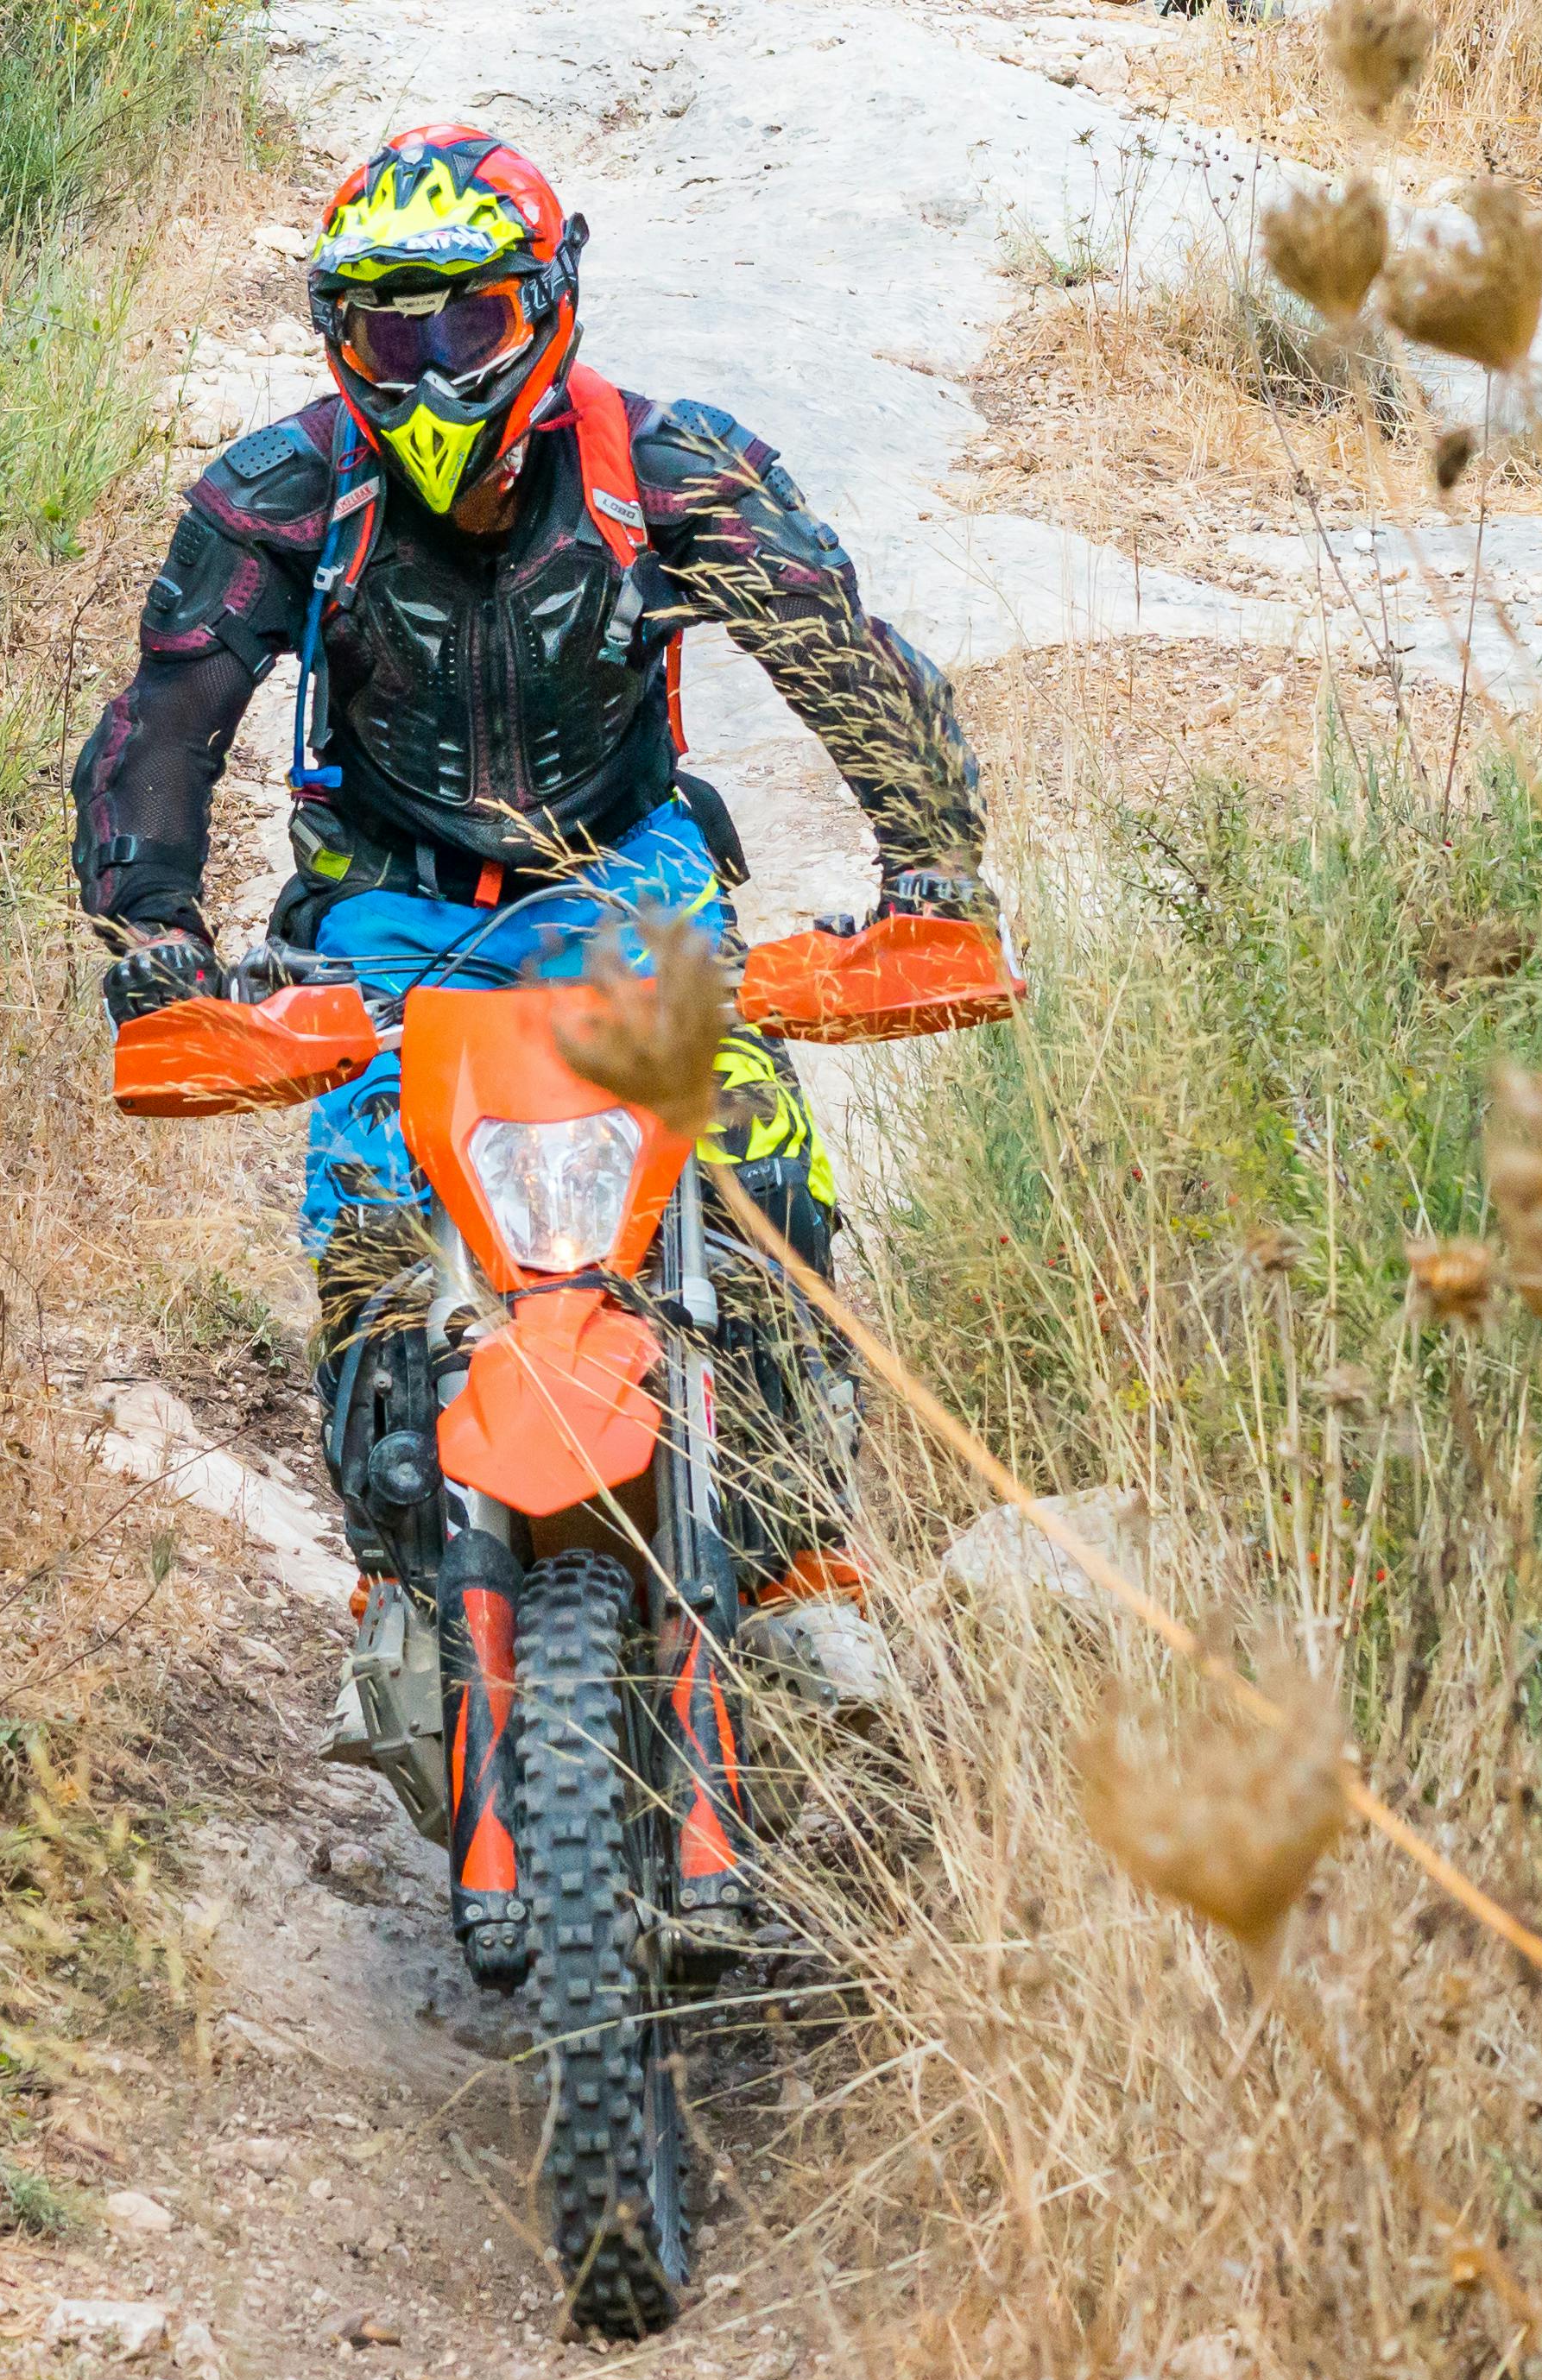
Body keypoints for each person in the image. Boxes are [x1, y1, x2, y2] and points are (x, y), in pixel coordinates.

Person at [73, 122, 992, 1979]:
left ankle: (806, 1568)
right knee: (368, 1214)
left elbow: (839, 648)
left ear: (546, 305)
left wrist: (929, 864)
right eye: (380, 335)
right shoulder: (283, 487)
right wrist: (152, 934)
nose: (419, 372)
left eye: (462, 323)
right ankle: (402, 1588)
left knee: (753, 1154)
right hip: (380, 899)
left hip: (625, 875)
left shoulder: (668, 467)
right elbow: (170, 709)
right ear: (336, 336)